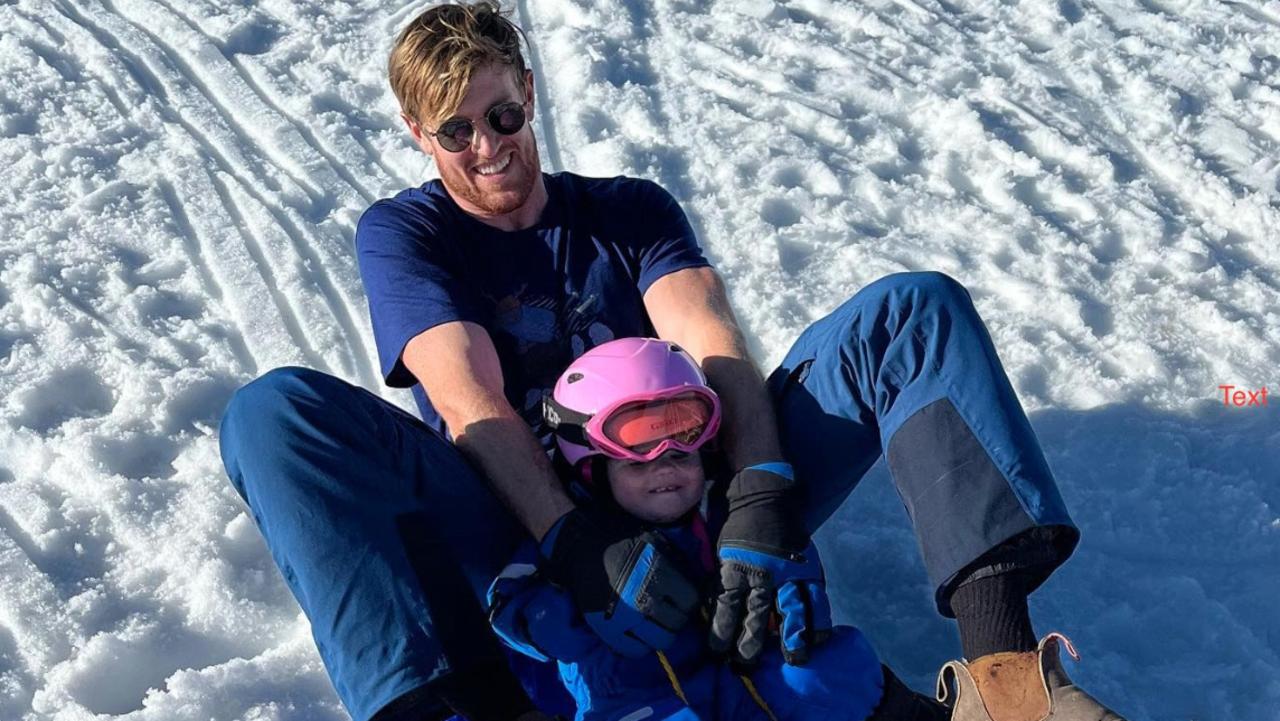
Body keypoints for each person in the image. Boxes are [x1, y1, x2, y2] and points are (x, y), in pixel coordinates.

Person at [217, 3, 1127, 721]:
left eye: (500, 115)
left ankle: (1007, 678)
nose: (487, 145)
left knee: (913, 312)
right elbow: (469, 399)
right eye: (455, 131)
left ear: (529, 94)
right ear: (421, 135)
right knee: (275, 414)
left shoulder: (626, 208)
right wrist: (574, 543)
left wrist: (759, 490)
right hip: (525, 525)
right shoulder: (407, 233)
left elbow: (708, 339)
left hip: (697, 480)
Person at [487, 337, 949, 721]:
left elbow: (778, 556)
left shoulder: (722, 510)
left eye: (681, 453)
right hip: (635, 695)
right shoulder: (574, 546)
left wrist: (791, 566)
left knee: (828, 669)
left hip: (741, 667)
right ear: (590, 466)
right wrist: (555, 610)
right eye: (639, 461)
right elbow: (510, 605)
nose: (666, 469)